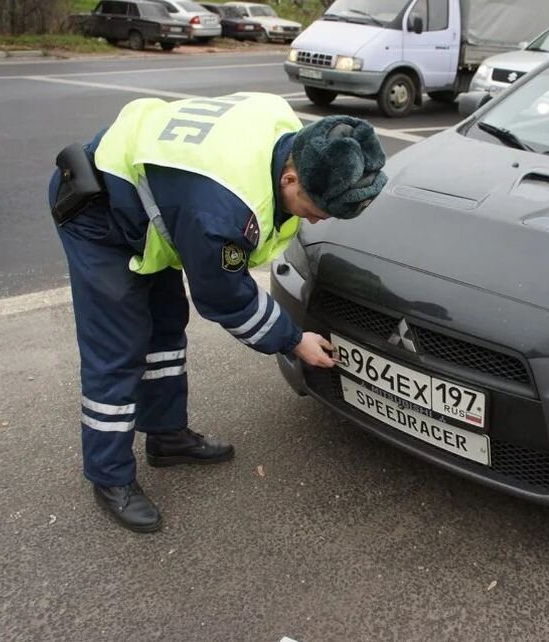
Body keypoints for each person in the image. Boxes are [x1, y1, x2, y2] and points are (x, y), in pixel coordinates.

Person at [48, 92, 387, 533]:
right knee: (118, 349)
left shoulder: (288, 132)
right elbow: (225, 297)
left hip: (158, 204)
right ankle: (109, 477)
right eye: (315, 211)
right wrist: (292, 339)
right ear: (290, 179)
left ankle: (166, 437)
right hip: (101, 215)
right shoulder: (222, 212)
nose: (318, 221)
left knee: (166, 328)